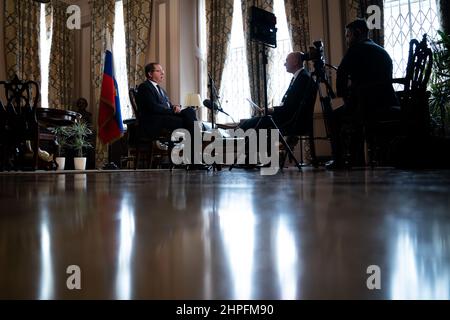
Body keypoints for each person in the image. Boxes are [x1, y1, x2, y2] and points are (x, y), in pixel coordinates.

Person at [327, 18, 399, 169]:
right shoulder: (382, 51)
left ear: (357, 33)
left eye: (348, 35)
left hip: (365, 106)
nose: (347, 39)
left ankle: (340, 161)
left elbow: (341, 74)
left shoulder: (355, 50)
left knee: (334, 115)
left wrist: (343, 98)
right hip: (389, 103)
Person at [239, 51, 315, 133]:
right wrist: (272, 110)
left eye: (287, 61)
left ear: (295, 62)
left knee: (249, 124)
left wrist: (272, 110)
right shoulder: (300, 76)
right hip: (287, 117)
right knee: (251, 123)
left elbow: (291, 108)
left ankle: (233, 137)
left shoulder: (303, 78)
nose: (284, 64)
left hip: (291, 121)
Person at [136, 62, 198, 138]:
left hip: (166, 116)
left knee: (190, 111)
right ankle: (195, 144)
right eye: (158, 71)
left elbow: (167, 105)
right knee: (189, 122)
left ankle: (194, 144)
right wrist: (172, 111)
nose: (162, 73)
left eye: (162, 71)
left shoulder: (161, 89)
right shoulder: (145, 87)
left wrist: (174, 107)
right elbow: (153, 107)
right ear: (150, 74)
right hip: (156, 120)